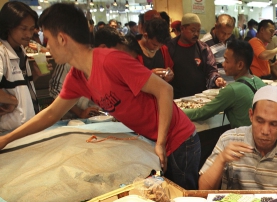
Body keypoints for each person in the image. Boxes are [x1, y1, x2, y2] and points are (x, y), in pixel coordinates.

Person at [0, 3, 200, 190]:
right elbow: (51, 114)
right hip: (156, 143)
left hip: (179, 140)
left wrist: (160, 141)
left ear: (62, 39)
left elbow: (165, 90)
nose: (46, 46)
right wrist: (7, 139)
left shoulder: (110, 60)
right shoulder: (77, 76)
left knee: (183, 200)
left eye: (48, 39)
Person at [198, 86, 277, 191]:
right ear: (251, 115)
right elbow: (203, 190)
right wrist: (221, 160)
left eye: (274, 124)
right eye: (260, 121)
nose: (265, 131)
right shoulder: (229, 139)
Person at [183, 40, 266, 128]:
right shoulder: (259, 82)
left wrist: (176, 111)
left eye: (226, 61)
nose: (223, 64)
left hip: (242, 138)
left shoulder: (232, 90)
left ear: (240, 65)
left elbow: (201, 113)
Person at [0, 1, 49, 132]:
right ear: (8, 27)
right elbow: (16, 97)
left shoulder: (20, 50)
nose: (28, 34)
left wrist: (35, 75)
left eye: (31, 28)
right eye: (23, 28)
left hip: (26, 126)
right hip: (7, 131)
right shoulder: (1, 51)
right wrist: (12, 100)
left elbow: (21, 89)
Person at [167, 13, 225, 99]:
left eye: (198, 31)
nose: (196, 34)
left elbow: (211, 70)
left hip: (199, 97)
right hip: (176, 97)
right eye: (193, 30)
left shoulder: (203, 48)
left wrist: (216, 78)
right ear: (182, 28)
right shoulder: (170, 47)